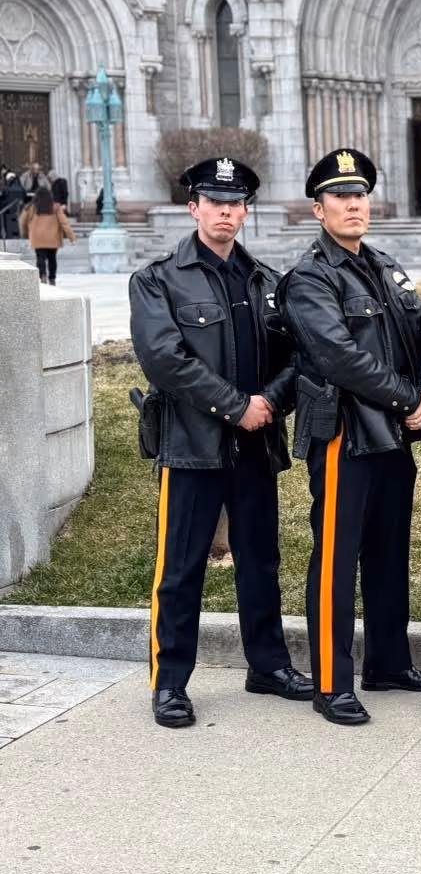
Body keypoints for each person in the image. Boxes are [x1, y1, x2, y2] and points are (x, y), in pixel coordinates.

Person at [128, 156, 311, 728]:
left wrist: (269, 404)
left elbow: (297, 355)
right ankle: (170, 684)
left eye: (234, 204)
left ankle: (267, 665)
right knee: (180, 570)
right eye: (214, 202)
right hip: (191, 445)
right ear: (194, 208)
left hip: (255, 446)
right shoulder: (157, 279)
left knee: (260, 560)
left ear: (245, 212)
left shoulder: (266, 281)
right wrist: (236, 406)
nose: (225, 212)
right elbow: (165, 360)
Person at [276, 148, 421, 726]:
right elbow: (338, 357)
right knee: (337, 559)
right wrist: (408, 398)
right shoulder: (310, 278)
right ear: (319, 208)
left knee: (390, 552)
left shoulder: (384, 265)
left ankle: (390, 663)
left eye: (360, 195)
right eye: (340, 197)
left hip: (395, 435)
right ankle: (331, 680)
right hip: (345, 434)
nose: (353, 205)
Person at [19, 186, 74, 285]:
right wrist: (71, 236)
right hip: (53, 238)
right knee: (52, 259)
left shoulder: (31, 207)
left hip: (38, 238)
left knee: (40, 258)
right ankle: (52, 279)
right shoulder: (56, 207)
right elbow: (64, 222)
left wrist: (25, 233)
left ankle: (42, 276)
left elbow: (23, 221)